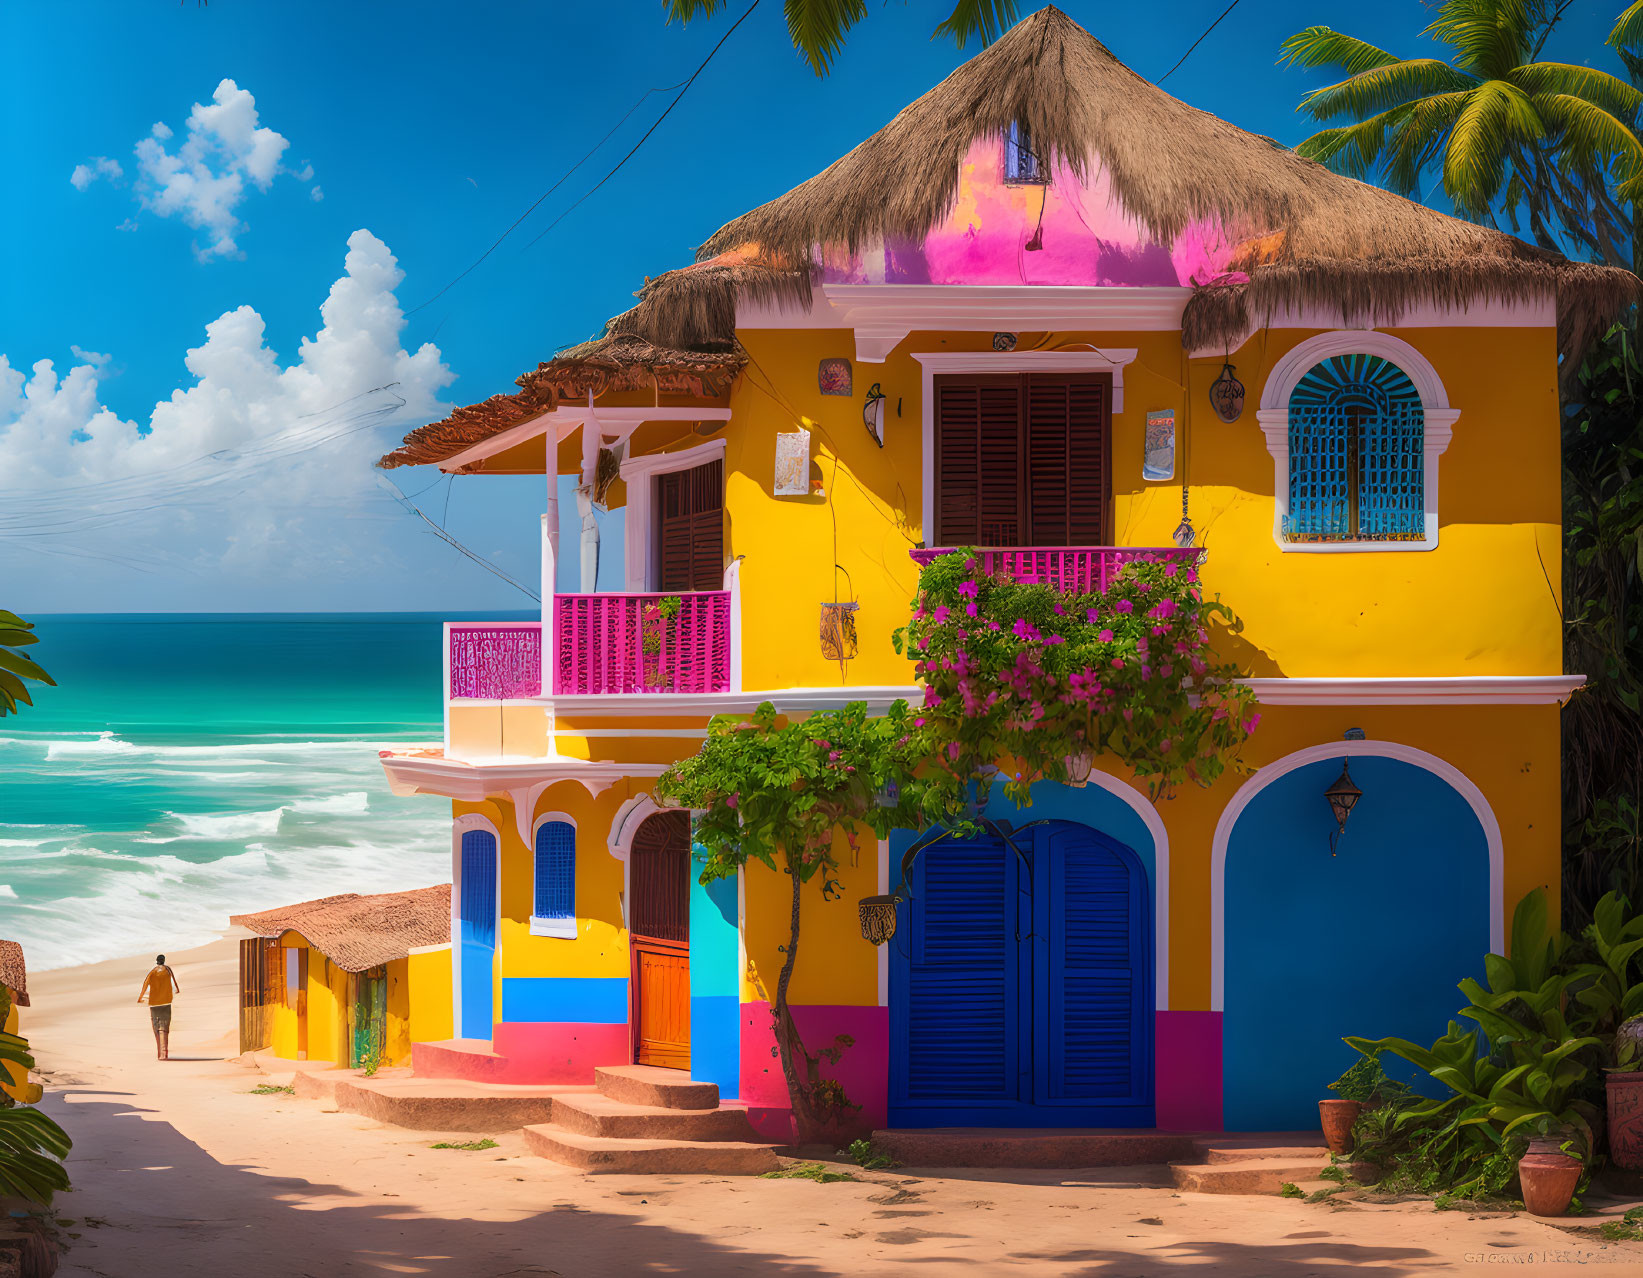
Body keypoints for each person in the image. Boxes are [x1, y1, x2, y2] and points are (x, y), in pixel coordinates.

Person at [137, 955, 180, 1060]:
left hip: (154, 1004)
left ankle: (159, 1054)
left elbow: (145, 985)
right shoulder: (168, 970)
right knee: (165, 1029)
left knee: (156, 1029)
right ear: (164, 961)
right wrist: (176, 990)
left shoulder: (152, 972)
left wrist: (140, 997)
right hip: (166, 1002)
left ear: (157, 961)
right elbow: (174, 984)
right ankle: (165, 1054)